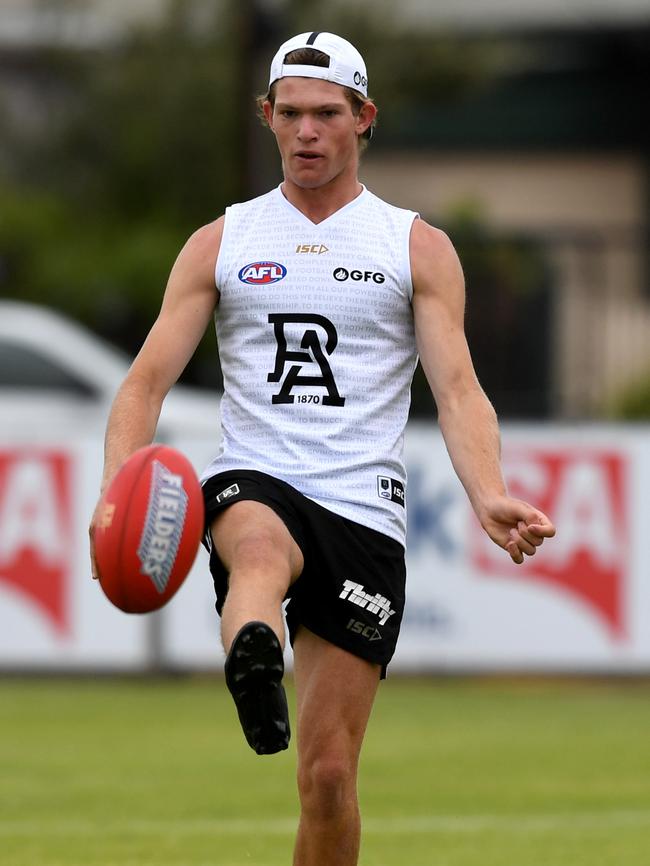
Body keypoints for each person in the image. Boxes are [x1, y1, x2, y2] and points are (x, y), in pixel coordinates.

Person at [90, 31, 555, 866]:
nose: (307, 131)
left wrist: (487, 490)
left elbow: (456, 389)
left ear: (363, 118)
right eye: (291, 113)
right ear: (267, 116)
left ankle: (258, 657)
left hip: (362, 508)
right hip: (256, 475)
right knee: (260, 548)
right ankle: (254, 658)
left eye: (327, 114)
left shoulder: (415, 246)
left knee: (330, 781)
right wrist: (116, 488)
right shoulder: (220, 241)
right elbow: (142, 385)